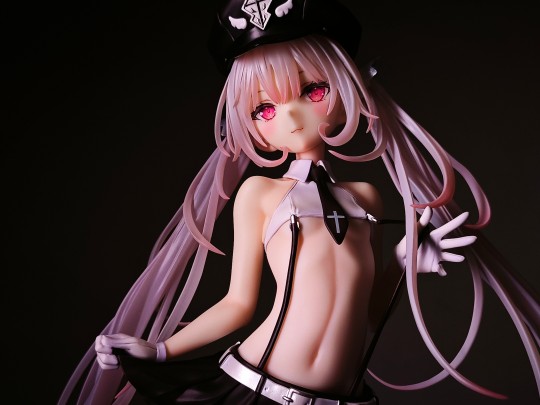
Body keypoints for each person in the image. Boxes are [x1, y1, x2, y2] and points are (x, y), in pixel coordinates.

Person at [59, 0, 540, 404]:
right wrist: (162, 351)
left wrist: (402, 262)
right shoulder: (260, 192)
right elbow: (239, 303)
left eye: (312, 90)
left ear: (348, 85)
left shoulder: (366, 198)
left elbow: (364, 313)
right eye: (264, 108)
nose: (290, 116)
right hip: (256, 388)